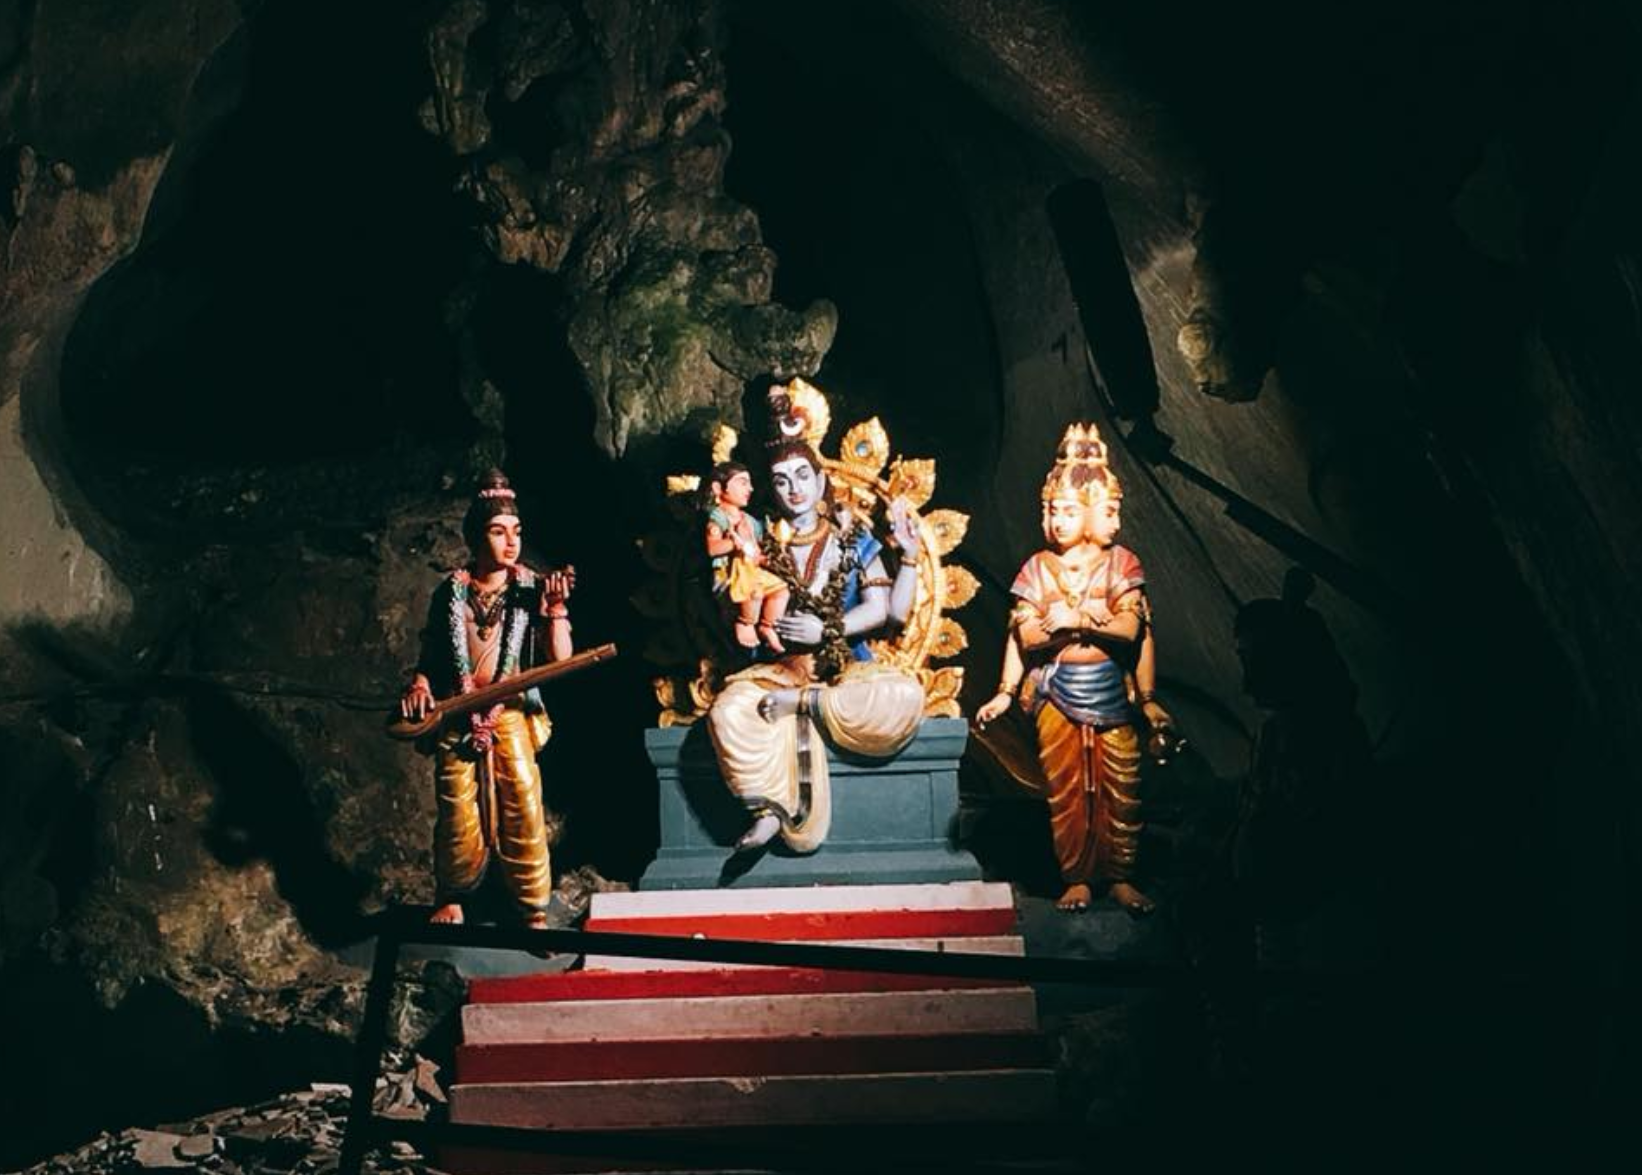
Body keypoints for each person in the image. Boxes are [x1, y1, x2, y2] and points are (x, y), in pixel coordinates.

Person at [705, 385, 927, 854]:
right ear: (770, 487)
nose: (795, 488)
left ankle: (802, 705)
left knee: (904, 695)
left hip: (845, 666)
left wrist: (829, 628)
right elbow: (739, 603)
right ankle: (768, 809)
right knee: (727, 710)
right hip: (780, 669)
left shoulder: (852, 539)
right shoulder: (762, 545)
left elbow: (888, 611)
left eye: (804, 475)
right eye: (782, 480)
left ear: (822, 480)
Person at [976, 424, 1172, 914]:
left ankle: (1122, 875)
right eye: (1050, 510)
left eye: (1067, 511)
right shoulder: (1039, 568)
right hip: (1058, 692)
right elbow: (1026, 636)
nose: (1056, 521)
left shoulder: (1122, 564)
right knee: (1068, 790)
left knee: (1120, 787)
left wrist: (1148, 699)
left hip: (1110, 690)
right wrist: (1005, 690)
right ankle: (1078, 877)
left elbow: (1134, 631)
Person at [399, 470, 574, 927]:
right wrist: (420, 685)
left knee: (523, 801)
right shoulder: (451, 592)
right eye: (498, 532)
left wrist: (555, 610)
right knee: (456, 807)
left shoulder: (529, 588)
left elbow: (561, 660)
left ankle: (533, 907)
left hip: (510, 713)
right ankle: (452, 896)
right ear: (476, 537)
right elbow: (432, 656)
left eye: (517, 532)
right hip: (458, 712)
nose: (511, 543)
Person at [704, 460, 790, 653]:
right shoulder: (719, 518)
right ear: (719, 488)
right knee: (754, 589)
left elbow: (755, 552)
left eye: (750, 483)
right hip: (730, 576)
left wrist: (764, 558)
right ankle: (745, 623)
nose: (749, 488)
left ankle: (767, 626)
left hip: (752, 570)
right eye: (742, 482)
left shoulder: (750, 521)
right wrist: (735, 543)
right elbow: (712, 549)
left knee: (781, 590)